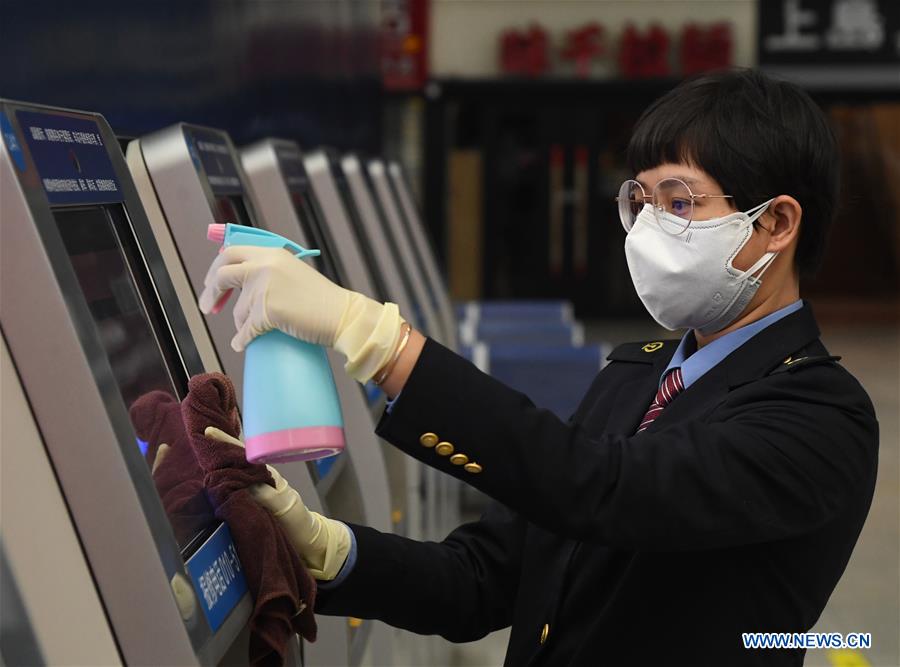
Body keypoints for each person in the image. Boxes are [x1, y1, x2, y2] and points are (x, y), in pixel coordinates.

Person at [200, 69, 879, 666]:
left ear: (778, 222)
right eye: (639, 203)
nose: (646, 230)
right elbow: (484, 577)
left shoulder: (819, 419)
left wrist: (379, 340)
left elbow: (600, 489)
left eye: (679, 202)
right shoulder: (637, 376)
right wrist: (330, 551)